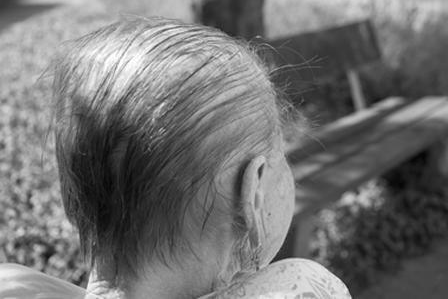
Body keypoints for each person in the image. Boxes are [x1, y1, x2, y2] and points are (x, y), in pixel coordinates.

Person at [0, 18, 351, 299]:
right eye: (281, 154)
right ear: (253, 194)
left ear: (72, 197)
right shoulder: (302, 287)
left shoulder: (14, 286)